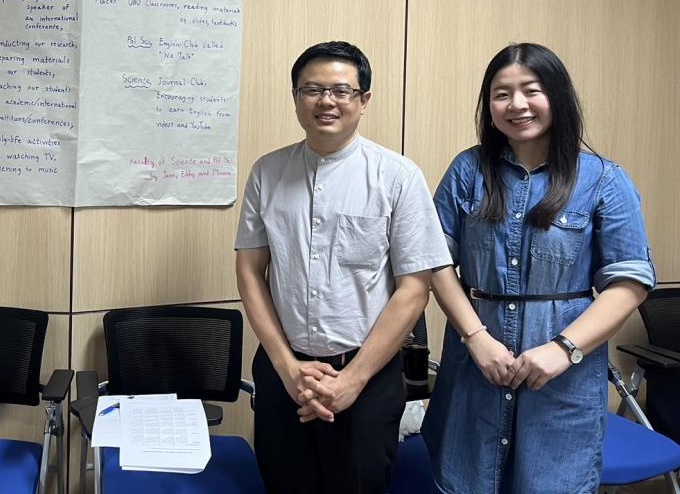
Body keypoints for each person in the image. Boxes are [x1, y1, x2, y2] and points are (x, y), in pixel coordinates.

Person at [422, 43, 655, 494]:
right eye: (501, 94)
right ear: (489, 107)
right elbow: (434, 261)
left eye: (531, 90)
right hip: (475, 370)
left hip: (562, 381)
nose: (517, 104)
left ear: (558, 96)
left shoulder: (604, 179)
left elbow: (629, 282)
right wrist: (476, 337)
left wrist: (563, 349)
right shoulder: (468, 170)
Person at [235, 41, 451, 493]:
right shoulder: (267, 172)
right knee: (284, 485)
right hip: (283, 371)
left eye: (341, 90)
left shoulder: (398, 177)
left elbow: (415, 288)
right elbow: (251, 272)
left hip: (366, 376)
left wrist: (353, 379)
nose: (326, 101)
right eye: (312, 89)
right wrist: (287, 368)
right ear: (296, 97)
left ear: (363, 100)